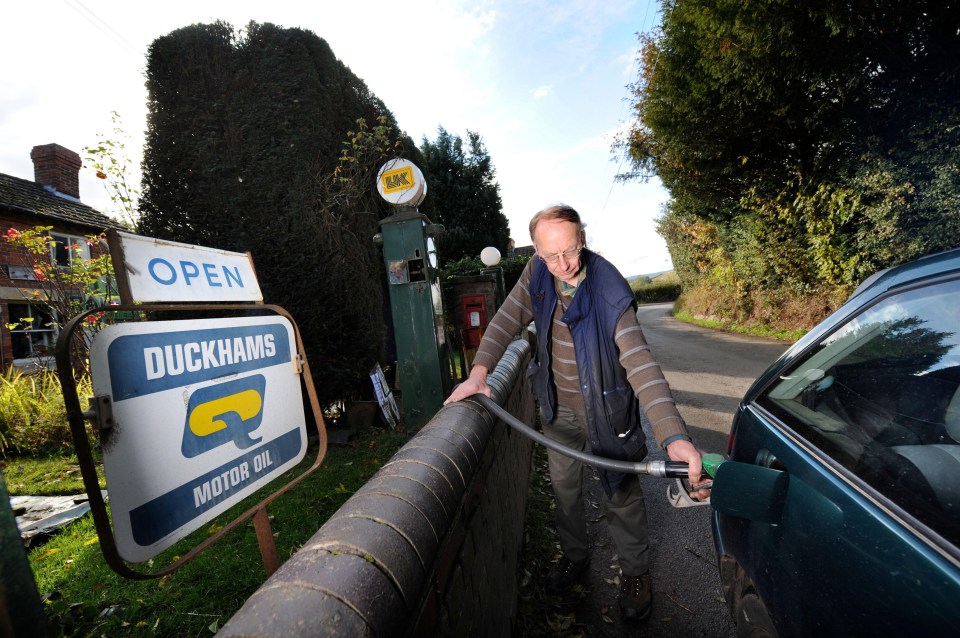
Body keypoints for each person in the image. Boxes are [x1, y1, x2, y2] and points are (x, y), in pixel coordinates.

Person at [444, 203, 711, 622]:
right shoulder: (537, 272)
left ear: (582, 240)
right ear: (536, 250)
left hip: (607, 412)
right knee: (565, 491)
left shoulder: (611, 291)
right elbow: (505, 320)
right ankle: (575, 557)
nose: (562, 264)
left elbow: (640, 364)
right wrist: (479, 373)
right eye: (550, 255)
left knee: (621, 493)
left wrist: (674, 436)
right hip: (558, 408)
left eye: (569, 251)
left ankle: (636, 576)